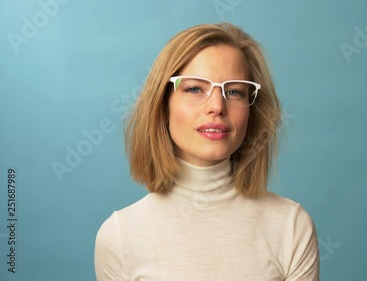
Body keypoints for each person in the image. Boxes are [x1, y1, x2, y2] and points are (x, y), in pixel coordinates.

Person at [94, 22, 320, 281]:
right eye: (194, 88)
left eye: (234, 91)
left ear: (251, 112)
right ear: (163, 105)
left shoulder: (290, 226)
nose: (216, 106)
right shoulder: (120, 235)